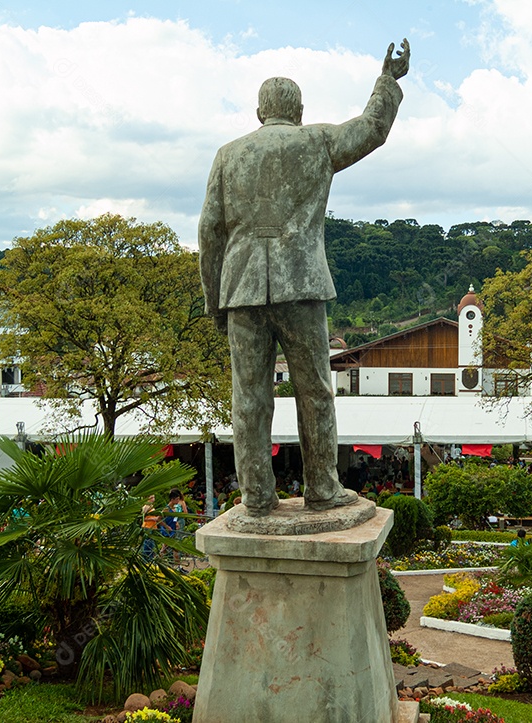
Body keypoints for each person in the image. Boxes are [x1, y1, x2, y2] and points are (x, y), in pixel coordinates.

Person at [199, 40, 410, 517]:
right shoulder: (316, 141)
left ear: (259, 113)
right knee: (314, 390)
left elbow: (209, 231)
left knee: (248, 397)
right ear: (299, 111)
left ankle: (256, 495)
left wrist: (215, 300)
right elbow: (371, 129)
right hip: (303, 287)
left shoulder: (228, 155)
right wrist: (388, 81)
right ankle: (322, 487)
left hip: (242, 289)